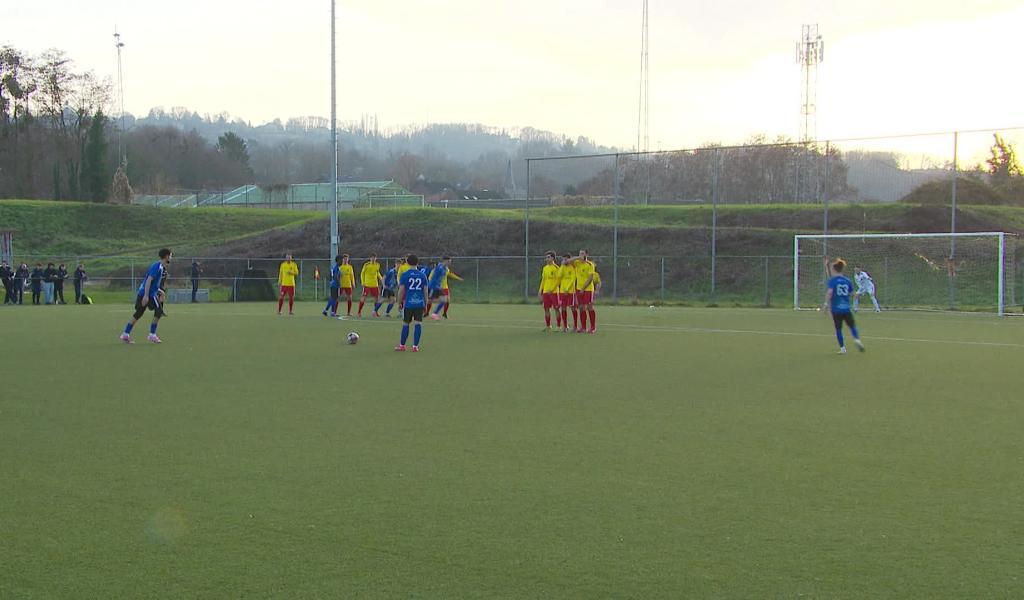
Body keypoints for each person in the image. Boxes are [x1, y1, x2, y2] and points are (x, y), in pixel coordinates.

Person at [120, 248, 172, 344]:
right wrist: (146, 296)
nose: (171, 258)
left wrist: (160, 291)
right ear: (166, 256)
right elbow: (148, 280)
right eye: (170, 255)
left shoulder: (160, 266)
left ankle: (125, 334)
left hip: (146, 292)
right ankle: (152, 335)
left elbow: (153, 284)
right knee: (159, 312)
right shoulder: (157, 266)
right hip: (148, 294)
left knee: (138, 313)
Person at [825, 258, 865, 354]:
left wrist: (826, 304)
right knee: (852, 326)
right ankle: (857, 340)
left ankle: (843, 349)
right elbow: (853, 294)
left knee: (838, 329)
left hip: (836, 310)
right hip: (846, 309)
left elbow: (830, 293)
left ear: (834, 270)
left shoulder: (833, 280)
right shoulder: (847, 280)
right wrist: (858, 295)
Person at [395, 254, 428, 352]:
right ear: (417, 263)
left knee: (406, 324)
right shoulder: (422, 275)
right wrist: (425, 304)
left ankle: (402, 346)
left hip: (408, 304)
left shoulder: (405, 275)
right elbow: (425, 291)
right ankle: (415, 347)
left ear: (407, 263)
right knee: (418, 323)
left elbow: (401, 291)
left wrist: (399, 302)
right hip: (419, 303)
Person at [568, 250, 597, 333]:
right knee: (581, 307)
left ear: (587, 254)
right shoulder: (577, 263)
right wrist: (578, 257)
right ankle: (583, 327)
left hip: (587, 289)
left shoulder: (590, 264)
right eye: (580, 253)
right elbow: (568, 261)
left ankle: (592, 327)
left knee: (589, 307)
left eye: (582, 253)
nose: (581, 255)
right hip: (578, 288)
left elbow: (590, 278)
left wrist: (583, 288)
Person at [539, 252, 562, 331]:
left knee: (556, 308)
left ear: (553, 258)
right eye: (546, 257)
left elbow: (558, 281)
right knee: (546, 308)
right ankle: (548, 326)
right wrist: (540, 290)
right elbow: (543, 280)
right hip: (546, 291)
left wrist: (552, 289)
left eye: (548, 257)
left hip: (554, 292)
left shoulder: (556, 268)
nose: (547, 259)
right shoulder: (545, 268)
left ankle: (559, 326)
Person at [357, 253, 384, 317]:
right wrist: (363, 282)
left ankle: (375, 312)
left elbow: (377, 273)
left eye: (374, 258)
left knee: (376, 299)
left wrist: (381, 279)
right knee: (363, 297)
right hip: (367, 284)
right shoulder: (366, 265)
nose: (373, 259)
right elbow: (362, 274)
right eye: (372, 258)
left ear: (376, 258)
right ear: (370, 258)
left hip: (375, 284)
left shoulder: (377, 265)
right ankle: (359, 312)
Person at [558, 253, 577, 333]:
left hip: (570, 291)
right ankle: (565, 326)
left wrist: (567, 289)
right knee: (563, 308)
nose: (564, 261)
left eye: (566, 259)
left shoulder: (572, 267)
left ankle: (575, 326)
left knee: (573, 308)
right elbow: (559, 276)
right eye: (563, 259)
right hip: (562, 291)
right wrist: (562, 266)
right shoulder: (562, 267)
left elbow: (573, 279)